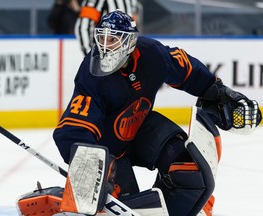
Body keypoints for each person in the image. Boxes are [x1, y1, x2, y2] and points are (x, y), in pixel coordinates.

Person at [53, 10, 262, 215]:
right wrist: (89, 166)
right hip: (109, 152)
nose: (106, 46)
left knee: (189, 169)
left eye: (114, 39)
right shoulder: (91, 73)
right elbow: (74, 128)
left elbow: (186, 69)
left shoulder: (152, 53)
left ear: (130, 43)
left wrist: (216, 91)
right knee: (124, 209)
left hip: (142, 128)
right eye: (103, 38)